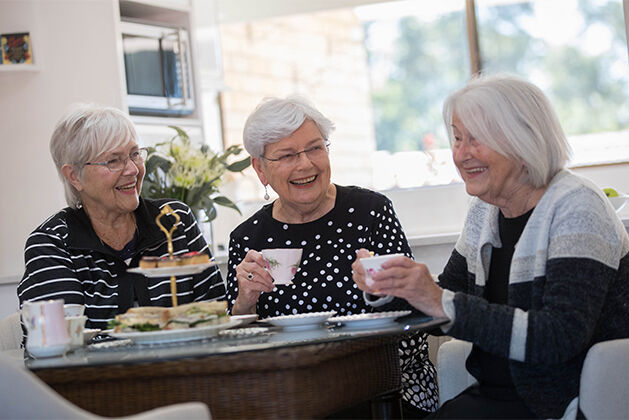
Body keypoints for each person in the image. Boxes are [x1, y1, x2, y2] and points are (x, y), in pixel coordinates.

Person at [352, 74, 629, 419]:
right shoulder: (484, 212)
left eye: (477, 139)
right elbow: (445, 306)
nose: (461, 154)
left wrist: (438, 300)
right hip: (495, 398)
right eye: (456, 138)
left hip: (556, 402)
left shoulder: (577, 207)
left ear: (524, 140)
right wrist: (392, 286)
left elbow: (559, 337)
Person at [226, 95, 439, 417]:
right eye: (286, 155)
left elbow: (415, 321)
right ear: (260, 169)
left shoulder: (371, 212)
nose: (305, 164)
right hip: (290, 397)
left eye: (315, 148)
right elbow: (235, 349)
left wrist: (379, 291)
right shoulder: (247, 238)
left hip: (382, 391)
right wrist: (245, 302)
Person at [18, 104, 225, 330]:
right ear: (74, 176)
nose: (133, 169)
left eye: (135, 154)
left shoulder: (175, 220)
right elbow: (64, 342)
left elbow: (216, 314)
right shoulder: (53, 243)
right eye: (113, 161)